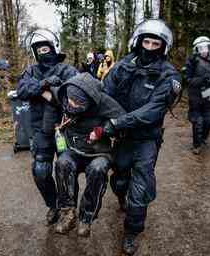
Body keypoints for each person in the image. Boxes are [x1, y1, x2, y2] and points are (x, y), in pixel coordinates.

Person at [102, 19, 181, 255]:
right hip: (123, 137)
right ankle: (121, 199)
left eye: (155, 43)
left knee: (140, 188)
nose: (149, 46)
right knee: (119, 180)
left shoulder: (169, 75)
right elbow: (105, 93)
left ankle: (131, 232)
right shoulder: (123, 66)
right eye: (145, 41)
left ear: (163, 46)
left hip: (147, 138)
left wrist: (117, 122)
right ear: (137, 41)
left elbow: (153, 110)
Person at [52, 72, 126, 236]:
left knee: (97, 170)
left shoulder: (104, 102)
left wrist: (103, 130)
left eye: (77, 103)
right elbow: (48, 92)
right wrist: (44, 83)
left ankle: (86, 217)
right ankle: (67, 214)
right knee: (62, 163)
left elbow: (124, 120)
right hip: (74, 149)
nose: (71, 105)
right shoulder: (65, 94)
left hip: (98, 152)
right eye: (69, 100)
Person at [17, 29, 78, 225]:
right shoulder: (31, 71)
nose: (43, 52)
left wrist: (51, 93)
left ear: (53, 48)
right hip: (40, 130)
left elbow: (77, 93)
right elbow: (22, 90)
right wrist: (43, 84)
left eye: (46, 48)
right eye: (39, 49)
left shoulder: (67, 69)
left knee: (66, 169)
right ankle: (54, 205)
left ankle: (69, 208)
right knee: (40, 171)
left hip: (64, 129)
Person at [185, 36, 210, 155]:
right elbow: (187, 79)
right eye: (200, 48)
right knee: (197, 120)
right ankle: (196, 145)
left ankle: (203, 138)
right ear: (196, 49)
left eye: (206, 47)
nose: (204, 50)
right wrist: (202, 80)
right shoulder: (191, 61)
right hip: (195, 95)